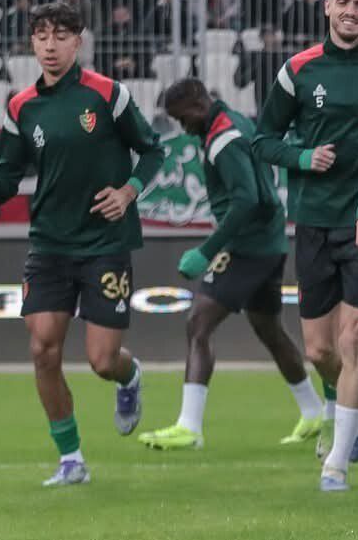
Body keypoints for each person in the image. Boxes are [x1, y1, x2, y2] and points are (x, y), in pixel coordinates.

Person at [0, 2, 164, 487]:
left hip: (105, 242)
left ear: (79, 41)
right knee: (43, 350)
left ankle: (128, 375)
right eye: (41, 36)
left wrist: (128, 192)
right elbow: (11, 173)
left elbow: (154, 150)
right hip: (49, 244)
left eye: (60, 36)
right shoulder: (20, 106)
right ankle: (71, 458)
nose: (50, 46)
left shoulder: (107, 95)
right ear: (32, 44)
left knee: (101, 360)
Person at [253, 0, 358, 488]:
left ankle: (336, 461)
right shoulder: (298, 69)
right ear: (326, 8)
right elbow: (262, 139)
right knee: (319, 350)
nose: (352, 12)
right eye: (344, 2)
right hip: (312, 222)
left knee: (354, 336)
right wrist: (301, 156)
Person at [137, 79, 325, 452]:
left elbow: (247, 201)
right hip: (268, 242)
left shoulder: (224, 140)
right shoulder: (233, 119)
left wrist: (207, 250)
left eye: (182, 118)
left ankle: (189, 426)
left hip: (248, 248)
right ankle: (313, 410)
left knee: (198, 323)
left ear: (197, 104)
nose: (182, 127)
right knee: (269, 329)